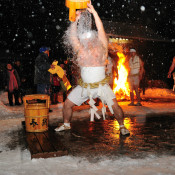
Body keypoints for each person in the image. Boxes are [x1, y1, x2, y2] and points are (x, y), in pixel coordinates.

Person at [55, 3, 130, 135]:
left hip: (101, 86)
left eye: (90, 38)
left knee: (115, 106)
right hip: (84, 87)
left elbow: (101, 30)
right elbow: (72, 37)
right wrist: (75, 21)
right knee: (67, 104)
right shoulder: (80, 50)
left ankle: (123, 126)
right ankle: (66, 124)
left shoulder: (102, 48)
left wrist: (94, 13)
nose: (88, 41)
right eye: (85, 39)